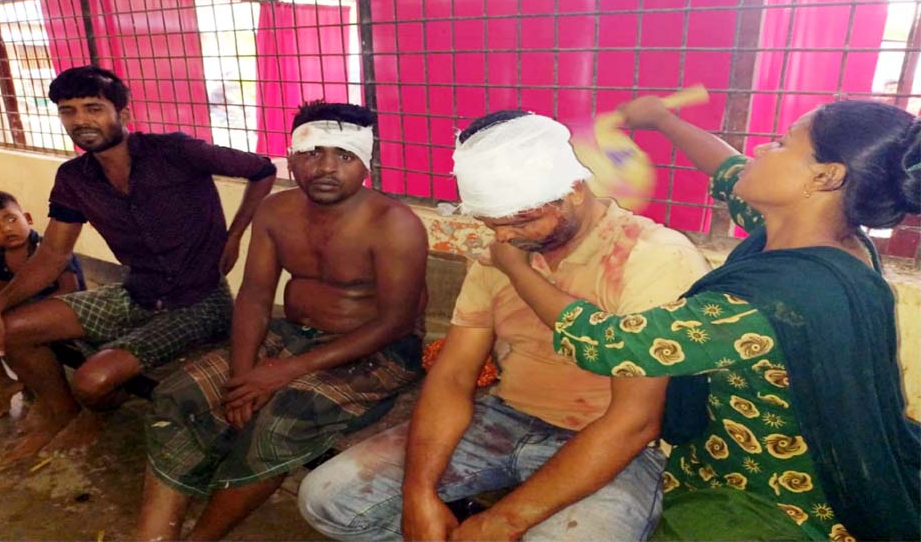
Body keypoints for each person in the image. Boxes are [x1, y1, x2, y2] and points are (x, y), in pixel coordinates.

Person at [489, 98, 921, 541]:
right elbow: (727, 169)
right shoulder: (823, 238)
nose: (760, 149)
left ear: (825, 176)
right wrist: (662, 120)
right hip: (748, 455)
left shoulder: (773, 301)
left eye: (781, 143)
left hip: (773, 494)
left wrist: (517, 270)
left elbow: (609, 344)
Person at [298, 110, 712, 541]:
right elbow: (453, 375)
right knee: (327, 499)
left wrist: (504, 520)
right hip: (505, 417)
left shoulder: (652, 257)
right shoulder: (503, 251)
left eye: (520, 221)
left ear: (573, 190)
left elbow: (635, 421)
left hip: (614, 439)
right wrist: (418, 491)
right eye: (491, 224)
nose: (505, 238)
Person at [135, 101, 429, 541]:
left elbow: (397, 322)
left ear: (366, 164)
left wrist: (282, 372)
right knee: (178, 395)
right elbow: (255, 294)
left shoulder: (394, 224)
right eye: (312, 153)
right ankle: (154, 534)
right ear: (290, 157)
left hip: (377, 350)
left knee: (280, 422)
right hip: (293, 334)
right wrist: (242, 375)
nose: (326, 167)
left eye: (344, 155)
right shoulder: (275, 211)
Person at [0, 66, 277, 461]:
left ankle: (98, 410)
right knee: (8, 329)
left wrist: (234, 235)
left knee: (92, 381)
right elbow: (53, 254)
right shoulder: (74, 178)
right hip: (135, 292)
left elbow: (262, 169)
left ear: (123, 114)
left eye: (93, 108)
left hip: (199, 302)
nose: (80, 121)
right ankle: (60, 411)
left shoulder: (175, 152)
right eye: (68, 111)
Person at [0, 191, 85, 418]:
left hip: (65, 313)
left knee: (9, 331)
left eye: (11, 219)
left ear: (27, 218)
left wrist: (22, 314)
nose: (6, 228)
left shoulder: (47, 249)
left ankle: (41, 392)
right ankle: (3, 384)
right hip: (27, 315)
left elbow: (70, 291)